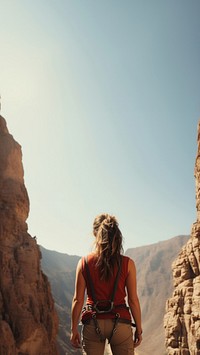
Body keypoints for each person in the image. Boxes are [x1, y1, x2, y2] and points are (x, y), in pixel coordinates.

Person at [70, 213, 142, 354]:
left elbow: (78, 300)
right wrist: (138, 329)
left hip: (92, 322)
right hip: (120, 322)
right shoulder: (128, 264)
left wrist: (73, 329)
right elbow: (133, 300)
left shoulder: (84, 263)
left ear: (94, 233)